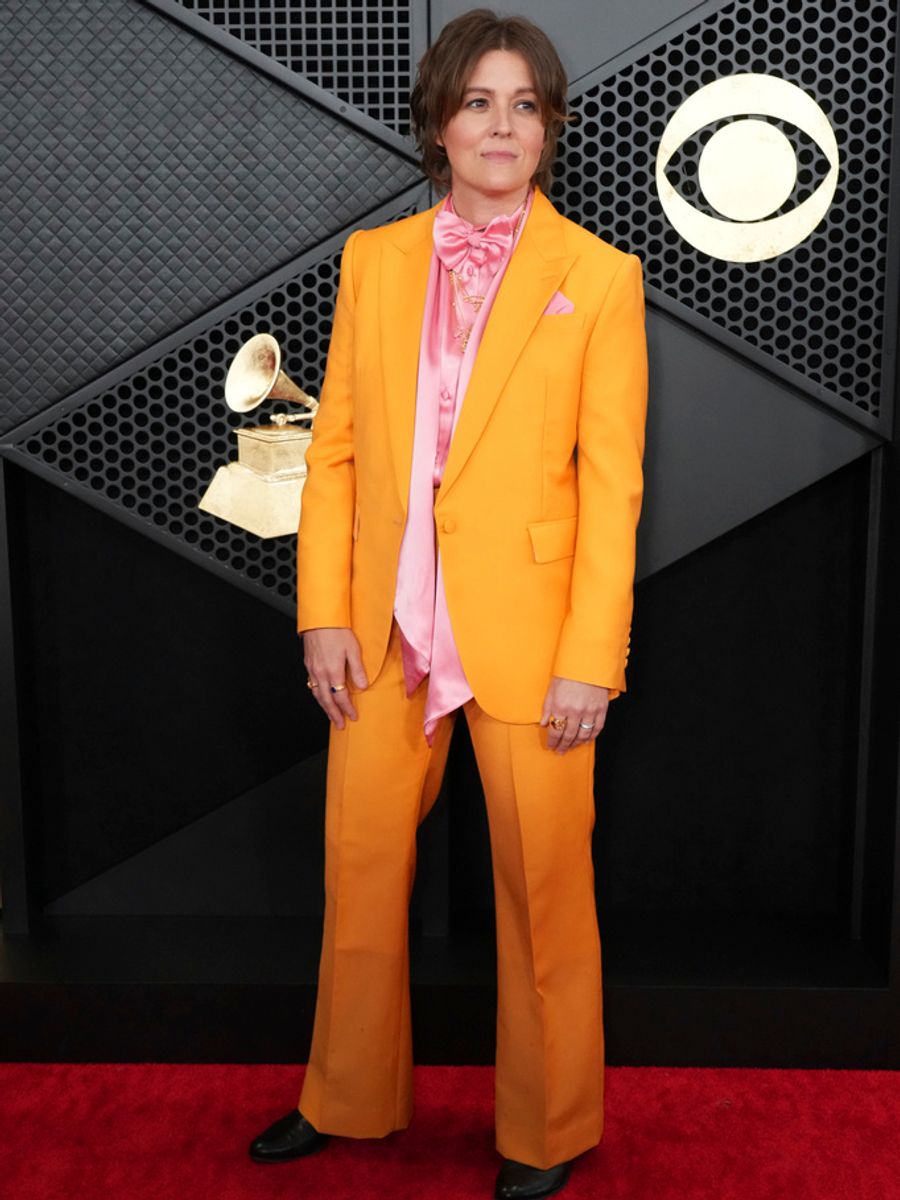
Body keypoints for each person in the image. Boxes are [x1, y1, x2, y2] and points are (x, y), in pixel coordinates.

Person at [249, 8, 648, 1198]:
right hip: (382, 630)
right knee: (361, 868)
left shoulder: (600, 277)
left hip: (531, 641)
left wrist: (593, 658)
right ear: (438, 120)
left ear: (549, 129)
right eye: (479, 101)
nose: (501, 125)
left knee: (543, 895)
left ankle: (548, 1129)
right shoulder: (373, 263)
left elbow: (616, 489)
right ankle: (349, 1096)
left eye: (524, 104)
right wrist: (323, 613)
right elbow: (335, 456)